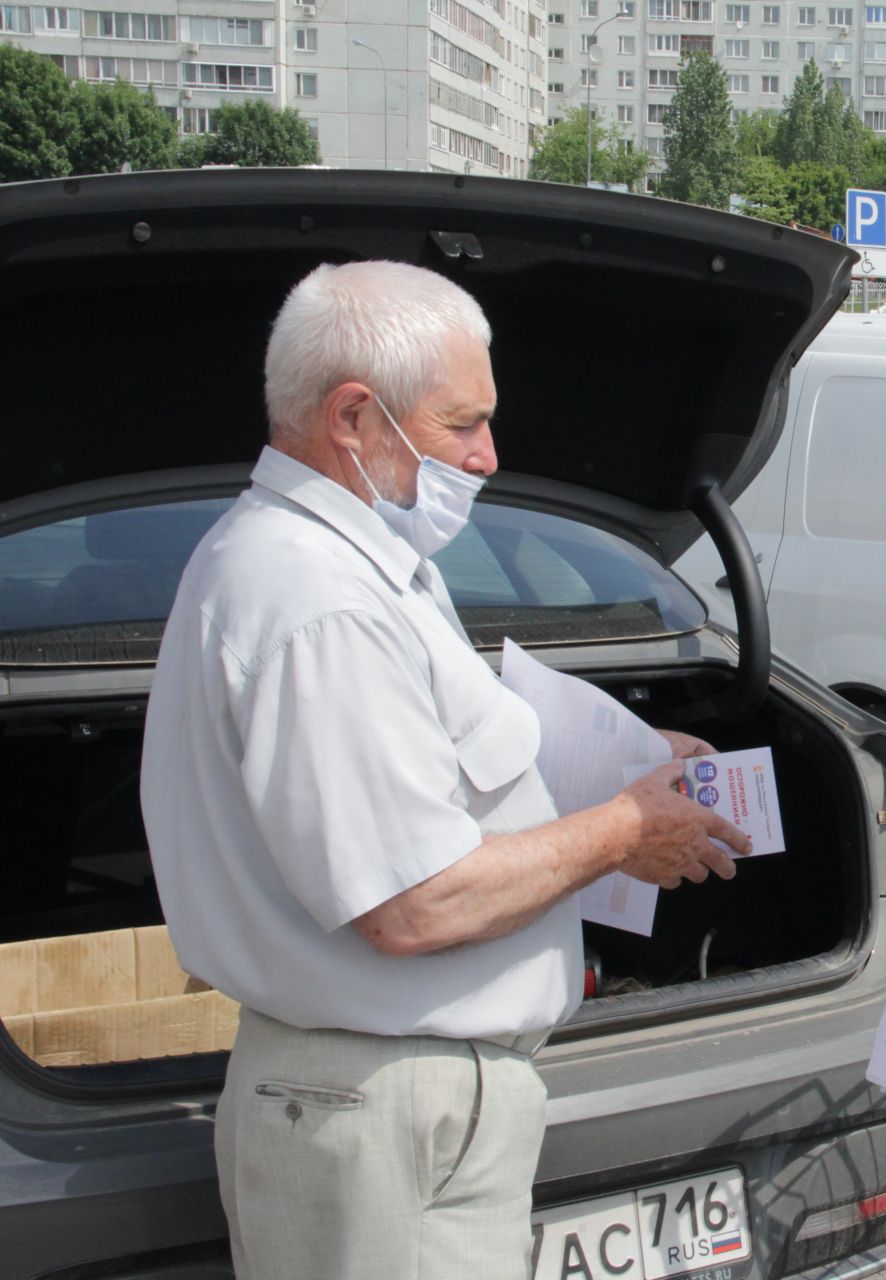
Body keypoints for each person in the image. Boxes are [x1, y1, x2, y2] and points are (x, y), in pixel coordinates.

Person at [140, 261, 750, 1280]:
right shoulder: (316, 601)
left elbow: (433, 773)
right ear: (353, 416)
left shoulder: (365, 567)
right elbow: (412, 904)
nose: (489, 453)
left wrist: (632, 769)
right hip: (383, 1112)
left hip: (404, 1110)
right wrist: (619, 830)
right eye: (461, 422)